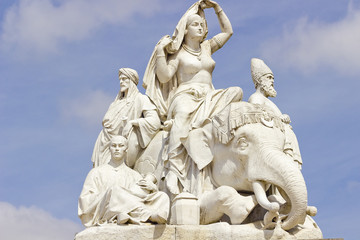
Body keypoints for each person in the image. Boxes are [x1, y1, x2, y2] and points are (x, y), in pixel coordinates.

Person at [143, 0, 242, 195]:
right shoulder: (178, 54)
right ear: (185, 30)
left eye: (201, 24)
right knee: (181, 118)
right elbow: (164, 76)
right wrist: (161, 53)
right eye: (194, 24)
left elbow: (228, 31)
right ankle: (173, 170)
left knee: (237, 92)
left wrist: (216, 8)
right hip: (186, 96)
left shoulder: (207, 47)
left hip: (210, 95)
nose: (200, 27)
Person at [79, 135, 170, 227]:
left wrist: (153, 188)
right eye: (114, 146)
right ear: (109, 149)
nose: (117, 149)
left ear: (126, 149)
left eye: (120, 146)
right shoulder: (96, 172)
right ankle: (146, 214)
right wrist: (108, 195)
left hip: (133, 207)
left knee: (162, 196)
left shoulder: (134, 175)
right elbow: (85, 201)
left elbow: (143, 196)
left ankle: (128, 214)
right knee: (115, 191)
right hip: (106, 209)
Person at [92, 68, 161, 168]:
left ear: (131, 81)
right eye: (120, 79)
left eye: (124, 79)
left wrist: (133, 122)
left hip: (121, 145)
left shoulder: (140, 99)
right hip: (103, 144)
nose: (121, 82)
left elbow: (155, 121)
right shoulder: (114, 104)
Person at [248, 58, 302, 168]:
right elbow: (258, 118)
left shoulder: (268, 101)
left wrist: (283, 118)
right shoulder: (256, 98)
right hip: (275, 145)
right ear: (259, 80)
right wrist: (279, 119)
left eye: (272, 78)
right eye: (268, 78)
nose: (272, 81)